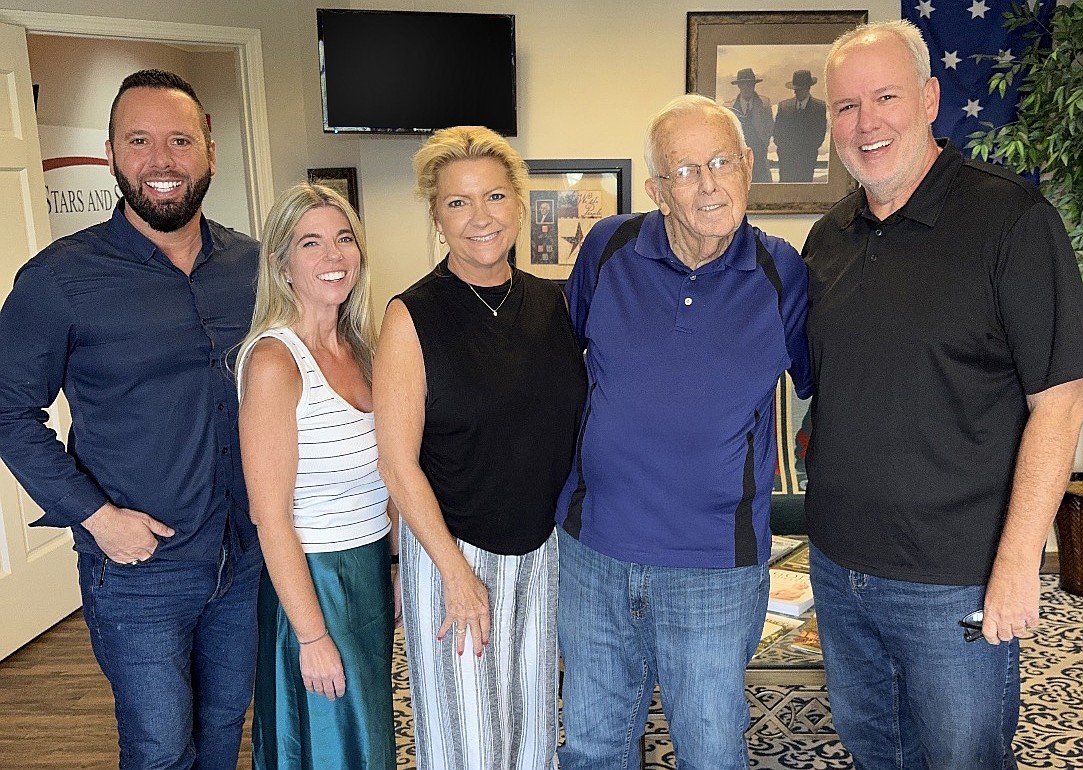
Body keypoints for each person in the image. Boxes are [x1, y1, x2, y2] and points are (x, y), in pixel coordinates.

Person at [803, 20, 1083, 769]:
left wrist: (1021, 561)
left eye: (885, 96)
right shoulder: (826, 240)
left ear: (929, 98)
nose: (865, 124)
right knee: (875, 753)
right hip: (836, 569)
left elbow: (1058, 403)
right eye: (844, 107)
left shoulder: (1012, 222)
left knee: (963, 758)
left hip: (954, 581)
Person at [0, 70, 262, 769]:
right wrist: (95, 516)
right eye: (138, 140)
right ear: (110, 153)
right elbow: (7, 412)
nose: (162, 160)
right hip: (140, 569)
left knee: (223, 728)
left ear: (208, 148)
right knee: (157, 748)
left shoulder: (256, 267)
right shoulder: (60, 278)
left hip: (245, 554)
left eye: (179, 139)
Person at [556, 93, 812, 770]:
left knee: (710, 751)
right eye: (687, 169)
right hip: (594, 556)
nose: (709, 184)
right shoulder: (608, 248)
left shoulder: (781, 273)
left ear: (748, 164)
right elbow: (553, 369)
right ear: (656, 189)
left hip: (714, 570)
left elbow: (831, 389)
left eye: (723, 161)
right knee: (591, 746)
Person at [373, 126, 586, 770]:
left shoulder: (556, 305)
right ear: (437, 217)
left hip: (543, 553)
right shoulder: (410, 317)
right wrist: (455, 577)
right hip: (451, 551)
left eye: (494, 197)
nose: (480, 218)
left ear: (520, 204)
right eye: (458, 203)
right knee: (464, 737)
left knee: (532, 731)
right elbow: (396, 464)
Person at [237, 183, 399, 769]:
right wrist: (310, 636)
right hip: (312, 583)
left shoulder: (363, 348)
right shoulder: (275, 362)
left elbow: (392, 476)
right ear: (282, 264)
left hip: (368, 572)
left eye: (343, 238)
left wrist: (397, 567)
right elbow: (269, 515)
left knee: (367, 741)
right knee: (327, 749)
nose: (334, 255)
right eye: (312, 243)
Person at [772, 69, 828, 183]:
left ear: (808, 88)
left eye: (801, 89)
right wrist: (784, 151)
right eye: (796, 90)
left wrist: (808, 151)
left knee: (805, 192)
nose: (797, 93)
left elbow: (819, 134)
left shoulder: (819, 108)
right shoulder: (784, 107)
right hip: (786, 161)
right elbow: (777, 133)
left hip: (807, 160)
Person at [730, 68, 774, 183]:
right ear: (739, 86)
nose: (747, 88)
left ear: (754, 86)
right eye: (744, 85)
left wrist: (763, 145)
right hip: (739, 157)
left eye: (750, 84)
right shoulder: (731, 108)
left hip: (759, 156)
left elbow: (769, 127)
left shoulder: (764, 104)